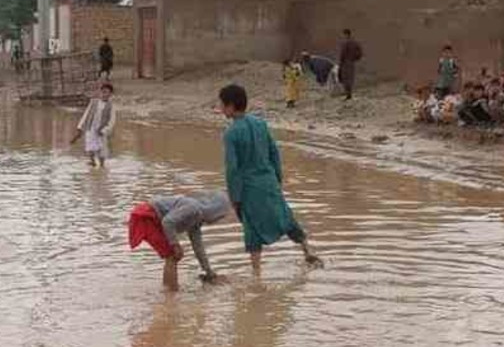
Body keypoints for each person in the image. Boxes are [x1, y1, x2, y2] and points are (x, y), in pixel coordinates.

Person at [219, 84, 322, 275]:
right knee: (286, 217)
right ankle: (308, 251)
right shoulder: (260, 124)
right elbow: (274, 152)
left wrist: (235, 198)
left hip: (249, 188)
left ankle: (257, 275)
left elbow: (232, 169)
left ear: (231, 106)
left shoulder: (231, 134)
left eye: (222, 105)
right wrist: (277, 179)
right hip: (269, 181)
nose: (220, 109)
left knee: (252, 228)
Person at [128, 191, 233, 291]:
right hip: (146, 216)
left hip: (151, 217)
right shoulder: (192, 207)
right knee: (172, 255)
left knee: (172, 256)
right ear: (215, 209)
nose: (217, 219)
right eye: (220, 216)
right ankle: (170, 294)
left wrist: (209, 273)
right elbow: (168, 222)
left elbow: (198, 247)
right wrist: (175, 244)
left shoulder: (196, 220)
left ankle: (169, 291)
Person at [72, 82, 117, 167]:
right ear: (100, 92)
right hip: (91, 127)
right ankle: (92, 162)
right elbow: (86, 114)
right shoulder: (94, 102)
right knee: (90, 146)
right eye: (103, 92)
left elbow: (112, 121)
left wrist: (105, 130)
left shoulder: (111, 106)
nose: (104, 94)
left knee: (102, 148)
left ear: (110, 94)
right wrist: (80, 127)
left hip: (101, 130)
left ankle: (102, 165)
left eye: (106, 92)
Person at [337, 29, 363, 100]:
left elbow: (342, 54)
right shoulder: (355, 42)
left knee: (345, 78)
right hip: (351, 62)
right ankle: (349, 93)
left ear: (346, 34)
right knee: (350, 78)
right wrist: (355, 58)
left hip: (345, 62)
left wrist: (340, 63)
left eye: (344, 34)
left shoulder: (345, 43)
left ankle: (348, 94)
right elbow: (360, 52)